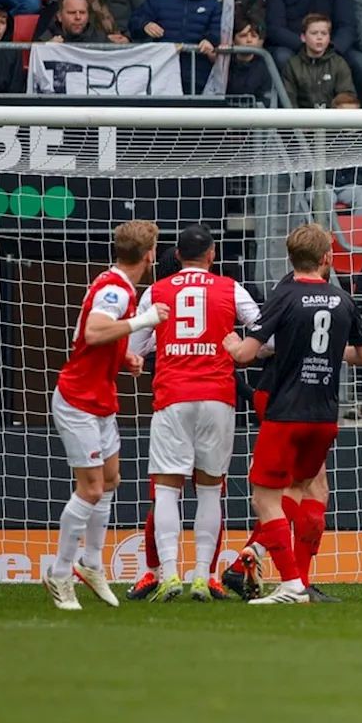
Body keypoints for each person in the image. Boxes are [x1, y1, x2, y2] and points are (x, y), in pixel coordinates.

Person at [222, 224, 362, 605]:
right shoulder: (343, 299)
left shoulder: (283, 295)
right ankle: (281, 572)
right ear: (327, 259)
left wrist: (230, 343)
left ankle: (289, 580)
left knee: (268, 497)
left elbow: (245, 354)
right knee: (306, 489)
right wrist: (320, 352)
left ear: (290, 259)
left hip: (286, 407)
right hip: (324, 415)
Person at [124, 226, 260, 602]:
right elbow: (266, 332)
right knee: (210, 490)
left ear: (177, 255)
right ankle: (204, 575)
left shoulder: (158, 290)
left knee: (166, 489)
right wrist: (245, 349)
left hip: (173, 396)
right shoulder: (230, 288)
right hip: (218, 396)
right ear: (212, 254)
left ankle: (168, 575)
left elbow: (134, 347)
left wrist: (158, 347)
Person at [42, 220, 166, 611]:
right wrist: (145, 321)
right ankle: (60, 574)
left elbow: (92, 338)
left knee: (110, 481)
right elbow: (95, 332)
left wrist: (124, 355)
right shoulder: (116, 289)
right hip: (78, 400)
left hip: (99, 398)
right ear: (149, 255)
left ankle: (91, 564)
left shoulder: (114, 282)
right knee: (91, 489)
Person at [129, 0, 221, 93]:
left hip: (197, 77)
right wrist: (145, 25)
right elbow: (134, 21)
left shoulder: (213, 5)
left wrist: (211, 40)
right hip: (162, 75)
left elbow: (219, 29)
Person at [280, 11, 355, 107]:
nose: (319, 37)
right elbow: (288, 101)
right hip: (301, 120)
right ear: (303, 37)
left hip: (333, 120)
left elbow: (347, 99)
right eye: (314, 33)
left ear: (329, 38)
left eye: (324, 33)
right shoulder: (292, 65)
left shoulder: (339, 63)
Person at [225, 17, 275, 103]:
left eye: (253, 36)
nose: (249, 40)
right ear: (233, 40)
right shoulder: (225, 65)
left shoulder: (266, 66)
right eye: (243, 36)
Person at [35, 0, 110, 41]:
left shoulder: (99, 38)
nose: (78, 17)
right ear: (59, 16)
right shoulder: (48, 37)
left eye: (82, 12)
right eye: (72, 12)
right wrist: (47, 49)